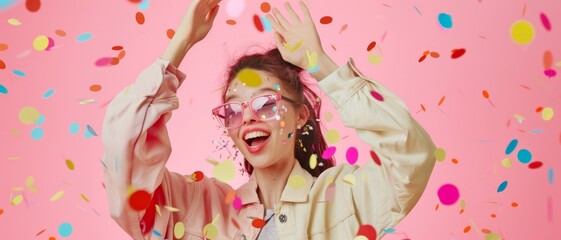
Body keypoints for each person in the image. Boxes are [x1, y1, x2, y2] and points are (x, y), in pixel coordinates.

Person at [101, 0, 437, 239]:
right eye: (233, 109)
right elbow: (123, 154)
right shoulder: (201, 209)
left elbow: (412, 156)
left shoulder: (344, 199)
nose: (247, 117)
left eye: (264, 103)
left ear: (300, 115)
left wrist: (318, 62)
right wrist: (181, 41)